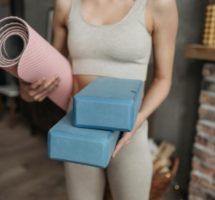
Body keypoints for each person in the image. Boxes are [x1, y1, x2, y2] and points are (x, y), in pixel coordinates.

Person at [19, 0, 178, 199]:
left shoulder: (158, 4)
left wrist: (137, 121)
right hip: (78, 128)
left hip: (128, 131)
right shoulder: (66, 4)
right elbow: (52, 68)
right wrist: (28, 90)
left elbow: (163, 79)